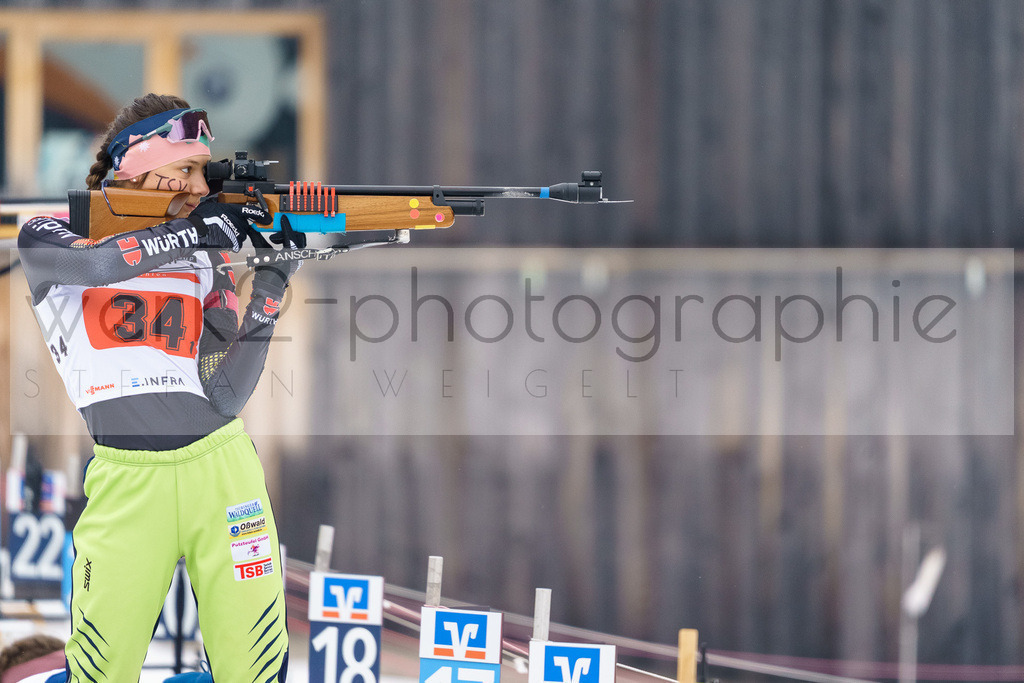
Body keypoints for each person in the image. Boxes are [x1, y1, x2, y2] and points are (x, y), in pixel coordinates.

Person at [17, 93, 299, 681]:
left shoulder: (204, 257)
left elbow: (224, 394)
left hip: (223, 473)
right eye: (188, 167)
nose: (200, 185)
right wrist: (203, 231)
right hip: (126, 481)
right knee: (101, 671)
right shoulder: (49, 233)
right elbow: (98, 267)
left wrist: (269, 286)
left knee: (253, 672)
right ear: (138, 163)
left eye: (204, 171)